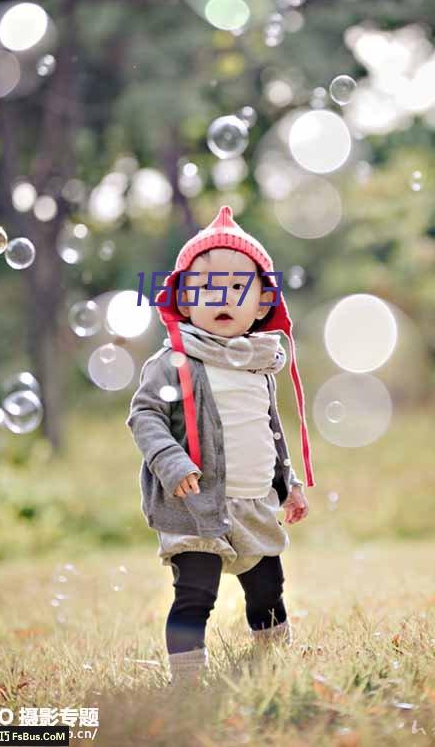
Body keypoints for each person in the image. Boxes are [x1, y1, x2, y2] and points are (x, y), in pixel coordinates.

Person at [126, 204, 315, 687]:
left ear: (261, 305)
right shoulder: (174, 361)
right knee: (195, 593)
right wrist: (171, 461)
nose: (223, 297)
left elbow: (268, 432)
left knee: (267, 588)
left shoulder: (259, 363)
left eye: (238, 287)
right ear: (186, 303)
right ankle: (188, 676)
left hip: (253, 502)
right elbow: (145, 414)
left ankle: (272, 661)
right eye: (208, 288)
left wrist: (287, 484)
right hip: (195, 504)